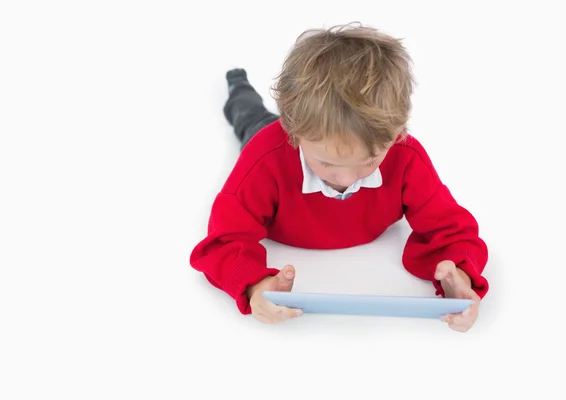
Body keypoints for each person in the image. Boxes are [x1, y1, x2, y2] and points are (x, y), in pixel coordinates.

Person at [190, 23, 489, 332]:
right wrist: (253, 286)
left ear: (397, 134)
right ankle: (238, 84)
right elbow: (224, 240)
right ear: (294, 133)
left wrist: (461, 277)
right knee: (248, 116)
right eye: (328, 162)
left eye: (369, 160)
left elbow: (453, 230)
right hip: (264, 135)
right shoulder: (264, 158)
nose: (347, 178)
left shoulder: (406, 155)